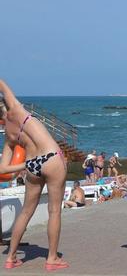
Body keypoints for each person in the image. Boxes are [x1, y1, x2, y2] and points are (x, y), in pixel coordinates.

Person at [0, 80, 69, 271]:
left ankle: (11, 258)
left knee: (26, 211)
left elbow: (3, 169)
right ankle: (52, 259)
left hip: (32, 165)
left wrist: (26, 164)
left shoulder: (8, 136)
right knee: (54, 211)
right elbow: (2, 84)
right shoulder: (16, 110)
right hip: (52, 158)